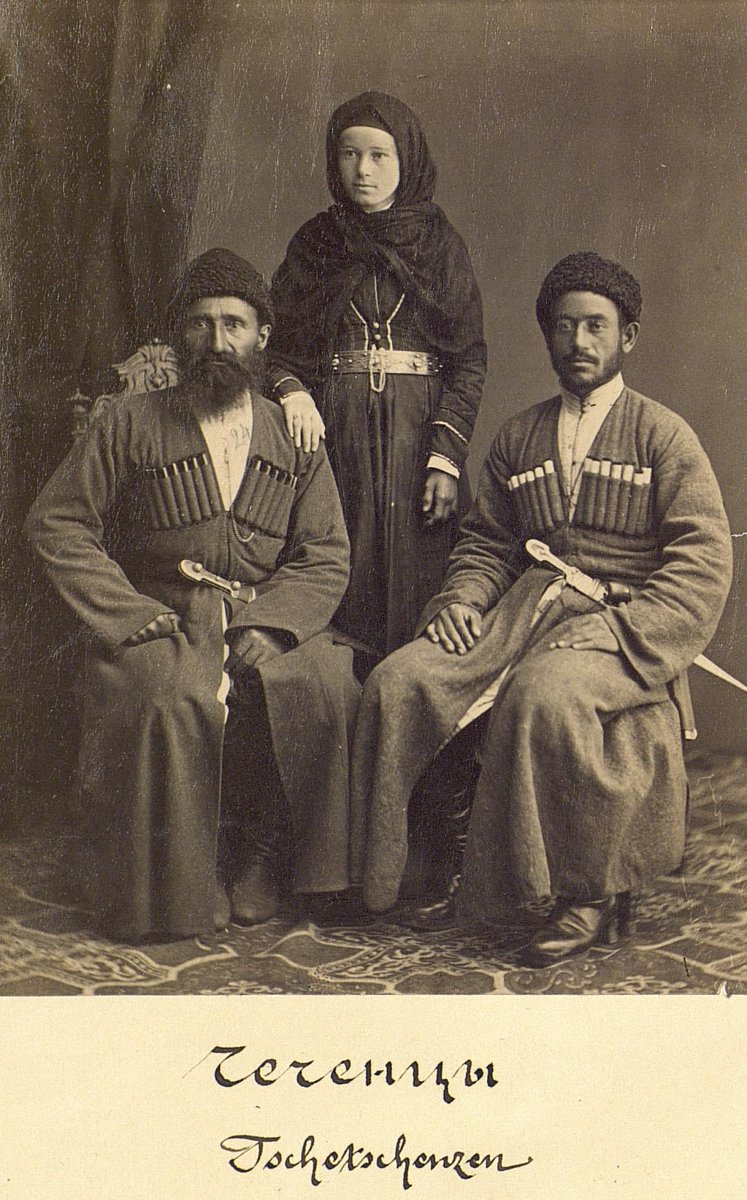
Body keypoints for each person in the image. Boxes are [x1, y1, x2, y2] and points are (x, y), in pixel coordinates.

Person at [351, 251, 733, 966]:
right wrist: (463, 599)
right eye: (563, 326)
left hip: (618, 626)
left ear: (627, 337)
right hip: (520, 615)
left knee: (544, 695)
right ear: (547, 337)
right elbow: (487, 543)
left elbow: (702, 562)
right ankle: (421, 868)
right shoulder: (519, 436)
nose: (577, 341)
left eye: (595, 326)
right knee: (400, 680)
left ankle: (585, 891)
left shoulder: (663, 435)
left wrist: (624, 632)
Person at [24, 248, 359, 942]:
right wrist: (127, 611)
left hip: (263, 609)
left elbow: (325, 551)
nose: (217, 340)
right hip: (165, 613)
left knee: (322, 683)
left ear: (262, 337)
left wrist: (276, 624)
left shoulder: (291, 432)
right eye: (201, 323)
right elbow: (56, 522)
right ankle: (182, 878)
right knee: (167, 696)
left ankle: (264, 857)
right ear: (179, 334)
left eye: (234, 324)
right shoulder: (129, 421)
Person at [266, 91, 487, 665]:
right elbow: (276, 346)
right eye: (349, 154)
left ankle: (410, 708)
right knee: (339, 563)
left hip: (419, 436)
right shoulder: (316, 243)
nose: (362, 170)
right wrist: (291, 390)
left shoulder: (440, 244)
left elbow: (468, 359)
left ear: (405, 160)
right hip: (338, 431)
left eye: (378, 156)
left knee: (420, 576)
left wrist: (446, 457)